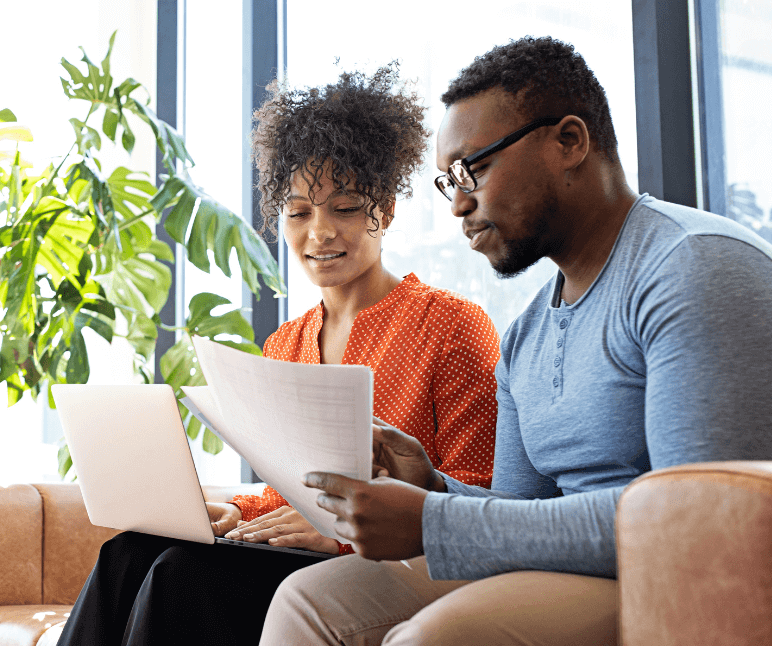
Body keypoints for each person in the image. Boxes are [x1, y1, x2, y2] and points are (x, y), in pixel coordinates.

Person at [259, 36, 772, 646]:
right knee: (307, 602)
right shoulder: (528, 333)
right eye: (449, 180)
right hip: (570, 568)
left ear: (569, 143)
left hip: (671, 575)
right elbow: (514, 511)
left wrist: (434, 520)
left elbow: (696, 515)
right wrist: (431, 486)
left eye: (473, 169)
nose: (459, 204)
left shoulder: (691, 266)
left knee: (435, 638)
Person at [56, 64, 501, 646]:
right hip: (292, 556)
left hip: (387, 566)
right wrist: (235, 512)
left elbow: (477, 491)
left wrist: (341, 533)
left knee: (181, 575)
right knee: (127, 554)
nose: (320, 233)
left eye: (345, 207)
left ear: (386, 210)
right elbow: (287, 491)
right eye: (299, 212)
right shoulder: (285, 344)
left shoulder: (451, 325)